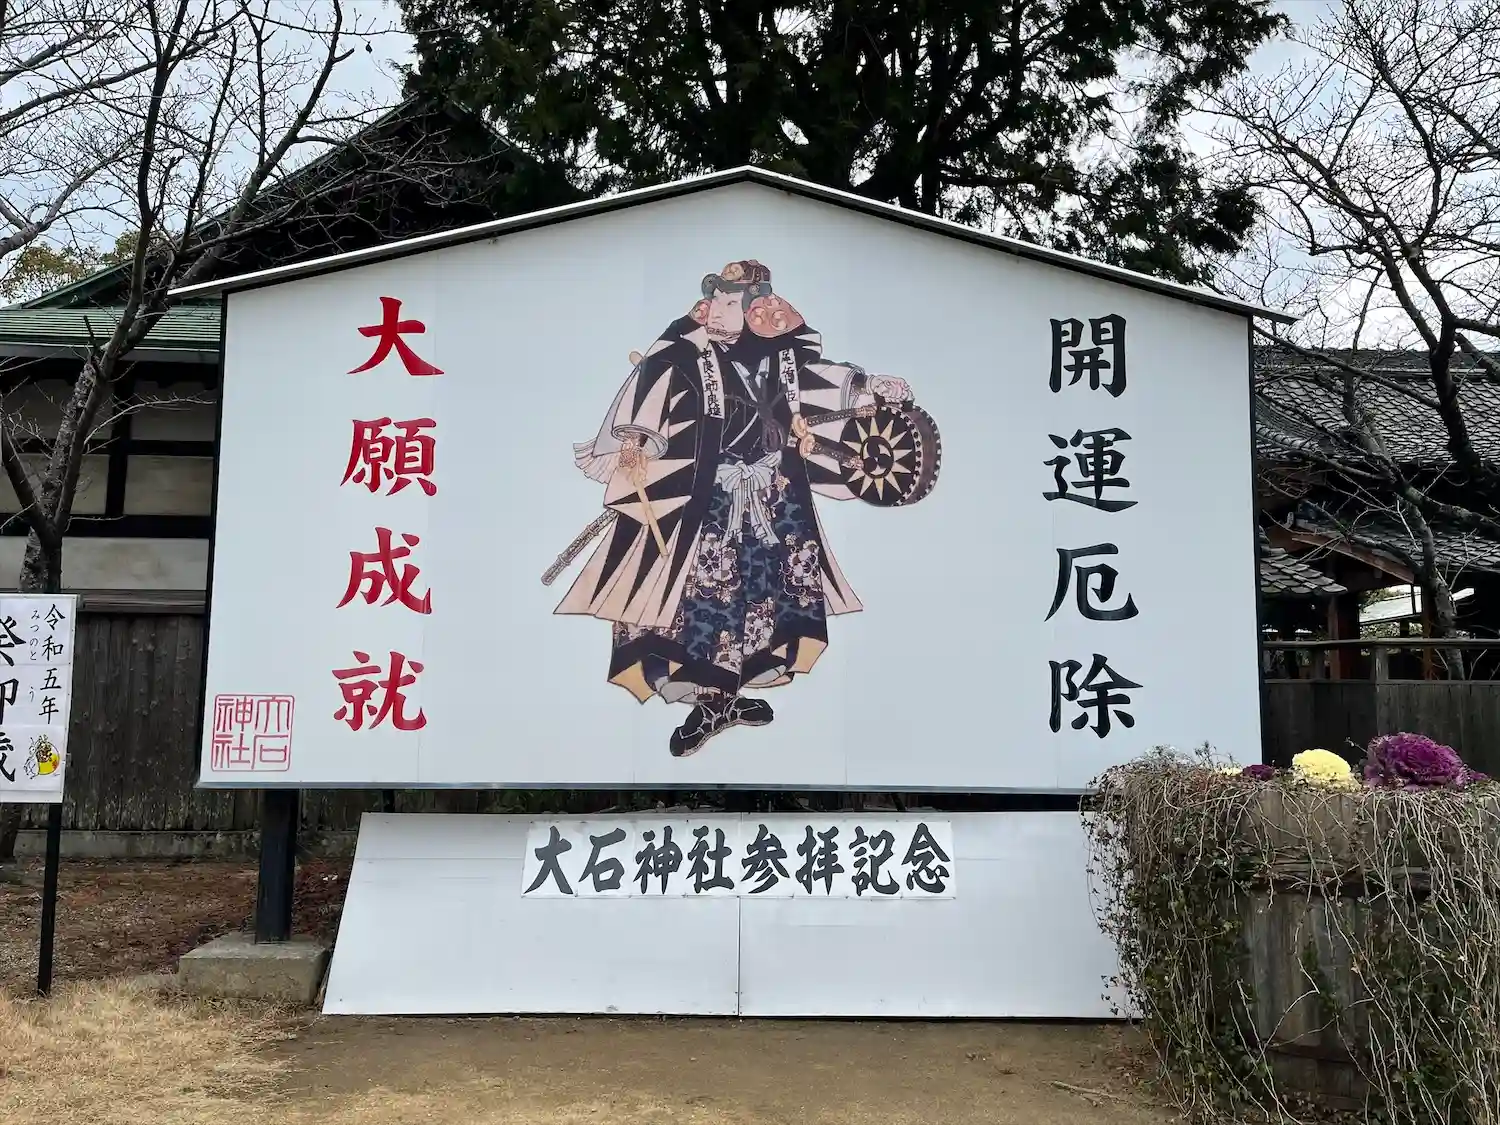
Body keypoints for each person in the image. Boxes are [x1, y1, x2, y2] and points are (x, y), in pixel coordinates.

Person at [556, 260, 916, 756]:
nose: (720, 310)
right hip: (707, 496)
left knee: (766, 594)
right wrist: (636, 439)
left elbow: (818, 381)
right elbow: (653, 378)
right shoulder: (688, 348)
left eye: (733, 301)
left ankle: (727, 696)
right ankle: (711, 700)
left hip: (773, 493)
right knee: (706, 597)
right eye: (719, 299)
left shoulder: (782, 356)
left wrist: (869, 385)